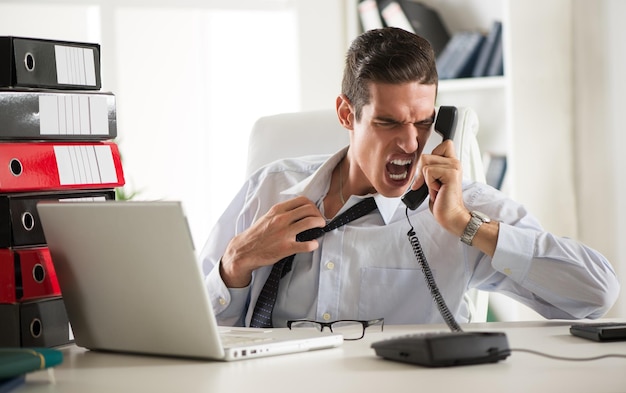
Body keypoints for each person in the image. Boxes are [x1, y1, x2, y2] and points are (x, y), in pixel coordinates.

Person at [200, 27, 619, 328]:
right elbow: (199, 328)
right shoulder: (269, 188)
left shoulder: (460, 206)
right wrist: (235, 264)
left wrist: (466, 226)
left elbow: (595, 294)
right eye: (388, 122)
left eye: (423, 122)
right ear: (348, 114)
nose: (409, 143)